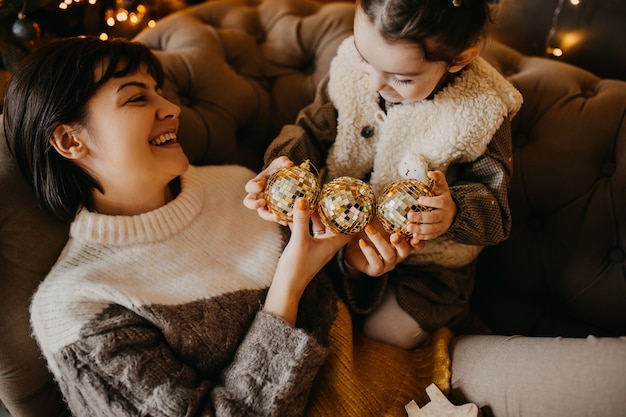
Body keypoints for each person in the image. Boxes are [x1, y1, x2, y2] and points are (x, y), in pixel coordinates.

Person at [3, 35, 460, 417]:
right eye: (137, 97)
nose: (171, 109)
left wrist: (356, 267)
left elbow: (332, 307)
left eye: (159, 91)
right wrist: (288, 286)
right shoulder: (77, 306)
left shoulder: (241, 186)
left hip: (403, 377)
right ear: (69, 140)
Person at [244, 0, 522, 350]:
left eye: (402, 78)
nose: (375, 83)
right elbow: (311, 130)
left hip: (427, 271)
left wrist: (452, 212)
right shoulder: (350, 70)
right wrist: (281, 164)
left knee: (384, 337)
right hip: (333, 232)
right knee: (296, 304)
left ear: (459, 59)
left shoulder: (483, 108)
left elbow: (495, 210)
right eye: (365, 57)